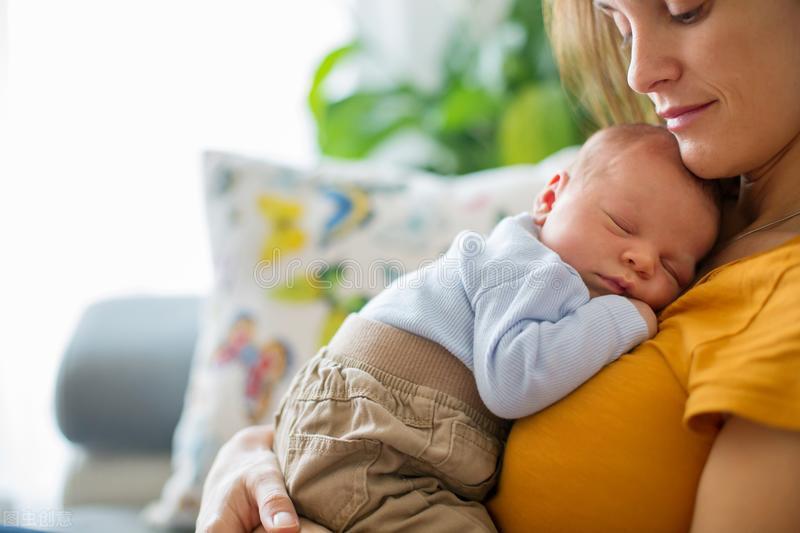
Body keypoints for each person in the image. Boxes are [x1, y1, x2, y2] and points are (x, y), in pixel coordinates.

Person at [197, 1, 800, 531]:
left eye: (686, 8)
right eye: (618, 24)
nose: (638, 74)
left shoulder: (776, 292)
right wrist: (253, 453)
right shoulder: (651, 198)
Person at [267, 124, 717, 532]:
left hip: (371, 432)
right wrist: (626, 317)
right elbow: (512, 380)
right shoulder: (532, 266)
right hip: (376, 434)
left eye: (672, 269)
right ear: (549, 200)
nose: (642, 260)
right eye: (622, 224)